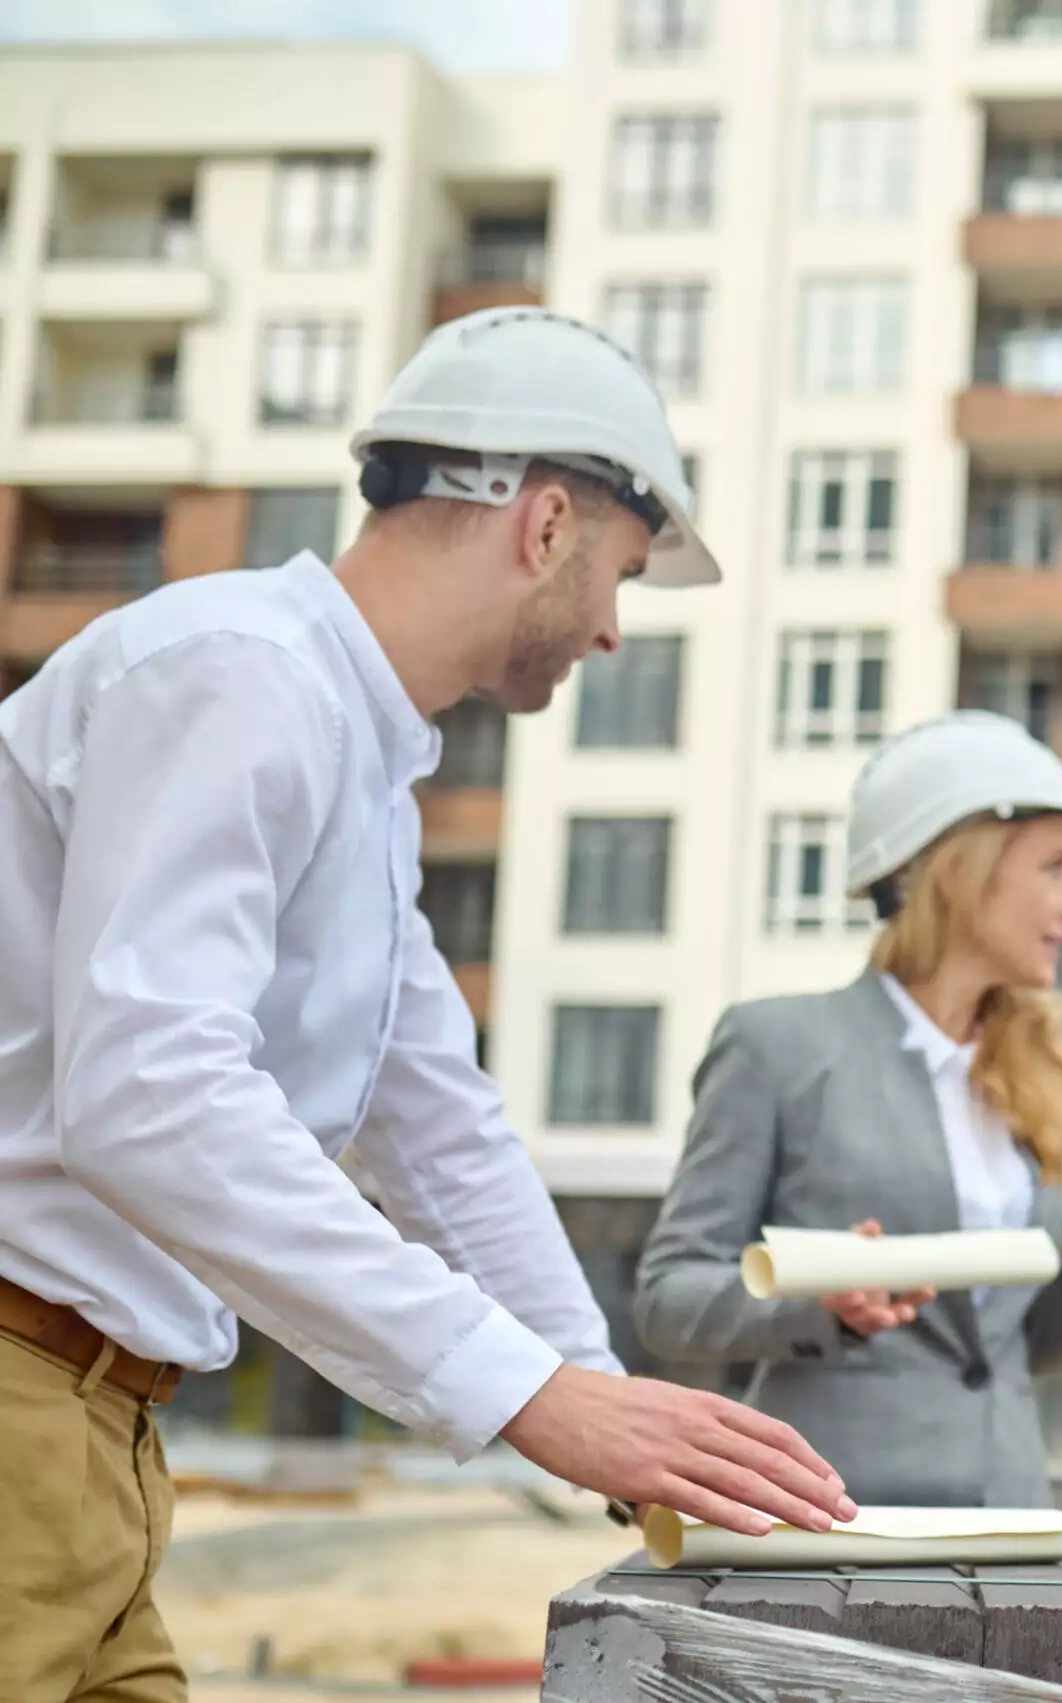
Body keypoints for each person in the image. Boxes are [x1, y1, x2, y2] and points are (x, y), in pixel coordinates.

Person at [0, 308, 857, 1703]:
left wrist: (607, 1411)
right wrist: (535, 1395)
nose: (612, 630)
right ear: (547, 520)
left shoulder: (357, 768)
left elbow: (438, 1127)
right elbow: (149, 1093)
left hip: (99, 1435)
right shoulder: (242, 674)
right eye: (621, 576)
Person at [634, 711, 1062, 1506]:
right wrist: (816, 1300)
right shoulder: (778, 1045)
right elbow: (670, 1297)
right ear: (956, 870)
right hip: (837, 1515)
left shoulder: (1032, 1071)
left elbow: (1013, 1344)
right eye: (1053, 867)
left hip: (1009, 1518)